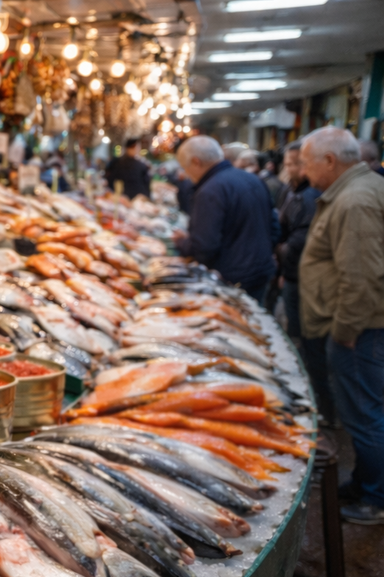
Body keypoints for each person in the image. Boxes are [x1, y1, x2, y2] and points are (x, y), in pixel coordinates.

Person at [298, 126, 384, 524]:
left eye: (305, 162)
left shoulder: (354, 201)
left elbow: (361, 276)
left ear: (329, 161)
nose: (302, 171)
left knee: (365, 413)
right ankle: (367, 481)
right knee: (362, 410)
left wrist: (346, 330)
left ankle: (375, 497)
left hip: (360, 331)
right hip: (359, 327)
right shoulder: (354, 192)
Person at [171, 135, 277, 304]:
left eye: (185, 167)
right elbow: (274, 227)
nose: (186, 174)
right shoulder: (253, 179)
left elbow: (204, 247)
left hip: (231, 278)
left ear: (196, 162)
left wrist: (183, 243)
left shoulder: (210, 190)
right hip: (261, 272)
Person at [276, 141, 333, 423]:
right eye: (286, 164)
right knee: (302, 340)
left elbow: (301, 240)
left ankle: (321, 408)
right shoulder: (294, 191)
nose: (289, 170)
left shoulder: (310, 197)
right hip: (296, 277)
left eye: (294, 164)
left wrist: (282, 252)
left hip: (306, 283)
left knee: (311, 345)